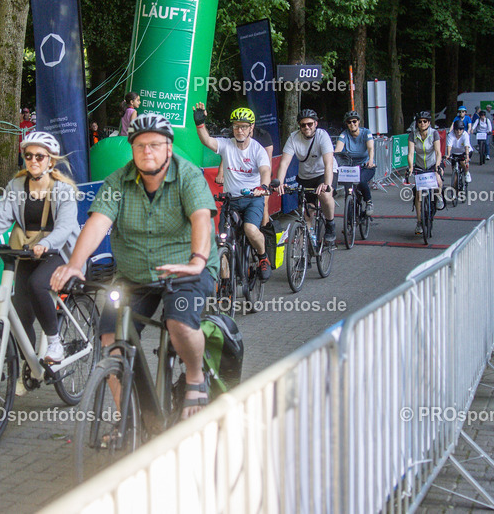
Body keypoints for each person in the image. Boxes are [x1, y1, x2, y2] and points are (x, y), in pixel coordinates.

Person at [51, 113, 217, 418]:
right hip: (134, 274)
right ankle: (128, 422)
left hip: (184, 271)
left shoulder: (188, 176)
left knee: (179, 322)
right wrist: (75, 264)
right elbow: (98, 222)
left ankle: (195, 377)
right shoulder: (118, 182)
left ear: (169, 148)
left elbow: (201, 218)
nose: (147, 151)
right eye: (140, 145)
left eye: (155, 144)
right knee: (111, 337)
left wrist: (198, 260)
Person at [0, 131, 80, 374]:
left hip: (56, 250)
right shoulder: (17, 185)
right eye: (28, 156)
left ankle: (55, 342)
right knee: (22, 309)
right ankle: (30, 368)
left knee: (38, 284)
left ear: (51, 161)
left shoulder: (63, 190)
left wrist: (47, 244)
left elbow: (66, 226)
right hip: (27, 250)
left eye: (39, 156)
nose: (33, 161)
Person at [195, 104, 272, 280]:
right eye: (236, 126)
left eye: (244, 126)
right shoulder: (226, 145)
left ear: (251, 127)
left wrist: (264, 187)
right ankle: (226, 286)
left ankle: (262, 257)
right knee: (222, 242)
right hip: (231, 202)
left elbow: (265, 171)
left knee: (251, 229)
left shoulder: (257, 149)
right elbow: (207, 140)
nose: (239, 130)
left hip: (253, 199)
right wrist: (200, 124)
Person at [277, 109, 337, 243]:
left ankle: (330, 224)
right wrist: (279, 182)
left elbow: (329, 163)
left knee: (325, 195)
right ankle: (309, 247)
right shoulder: (293, 138)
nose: (306, 127)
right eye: (303, 125)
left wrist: (327, 184)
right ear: (299, 125)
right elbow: (284, 163)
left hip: (324, 172)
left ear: (316, 123)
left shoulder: (322, 136)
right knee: (307, 212)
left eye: (310, 124)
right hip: (305, 176)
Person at [334, 110, 376, 216]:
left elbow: (370, 147)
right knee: (348, 190)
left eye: (354, 121)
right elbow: (338, 151)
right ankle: (349, 220)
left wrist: (370, 160)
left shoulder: (366, 132)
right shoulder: (344, 135)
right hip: (351, 167)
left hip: (365, 166)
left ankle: (369, 202)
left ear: (358, 122)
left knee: (361, 181)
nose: (352, 124)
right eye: (349, 122)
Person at [407, 110, 443, 234]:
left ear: (429, 123)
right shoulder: (413, 134)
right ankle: (419, 222)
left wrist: (437, 166)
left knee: (438, 181)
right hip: (420, 166)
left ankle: (438, 197)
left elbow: (438, 152)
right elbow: (411, 153)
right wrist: (411, 167)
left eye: (425, 121)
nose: (422, 123)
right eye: (420, 121)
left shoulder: (434, 133)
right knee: (418, 193)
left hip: (433, 163)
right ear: (417, 123)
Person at [445, 120, 472, 187]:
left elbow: (466, 147)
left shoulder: (465, 135)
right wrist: (448, 154)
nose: (458, 131)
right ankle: (455, 187)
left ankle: (466, 172)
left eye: (461, 129)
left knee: (463, 162)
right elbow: (449, 146)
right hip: (455, 153)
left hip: (465, 152)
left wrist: (467, 156)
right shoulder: (450, 135)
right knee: (454, 168)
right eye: (457, 129)